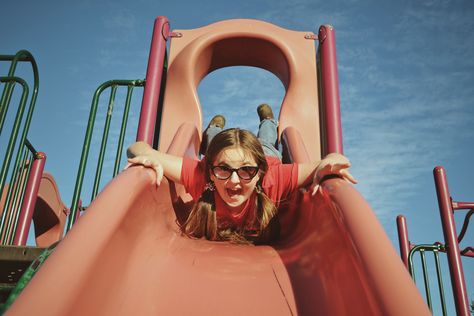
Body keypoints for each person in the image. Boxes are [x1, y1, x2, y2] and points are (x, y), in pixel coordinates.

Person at [126, 104, 356, 244]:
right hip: (238, 152)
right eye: (223, 170)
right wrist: (146, 156)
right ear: (211, 172)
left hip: (263, 153)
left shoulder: (272, 178)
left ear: (258, 174)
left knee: (266, 141)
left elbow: (330, 160)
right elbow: (139, 147)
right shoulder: (201, 175)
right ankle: (214, 129)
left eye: (246, 172)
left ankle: (267, 119)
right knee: (216, 141)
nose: (234, 180)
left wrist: (332, 162)